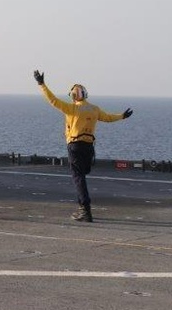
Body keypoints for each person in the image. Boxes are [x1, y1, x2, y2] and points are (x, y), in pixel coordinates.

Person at [33, 70, 133, 222]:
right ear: (85, 94)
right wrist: (122, 116)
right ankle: (83, 208)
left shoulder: (71, 108)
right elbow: (109, 118)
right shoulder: (94, 109)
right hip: (88, 146)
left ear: (73, 96)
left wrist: (41, 84)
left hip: (75, 145)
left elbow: (52, 100)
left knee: (78, 177)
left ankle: (85, 210)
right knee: (84, 173)